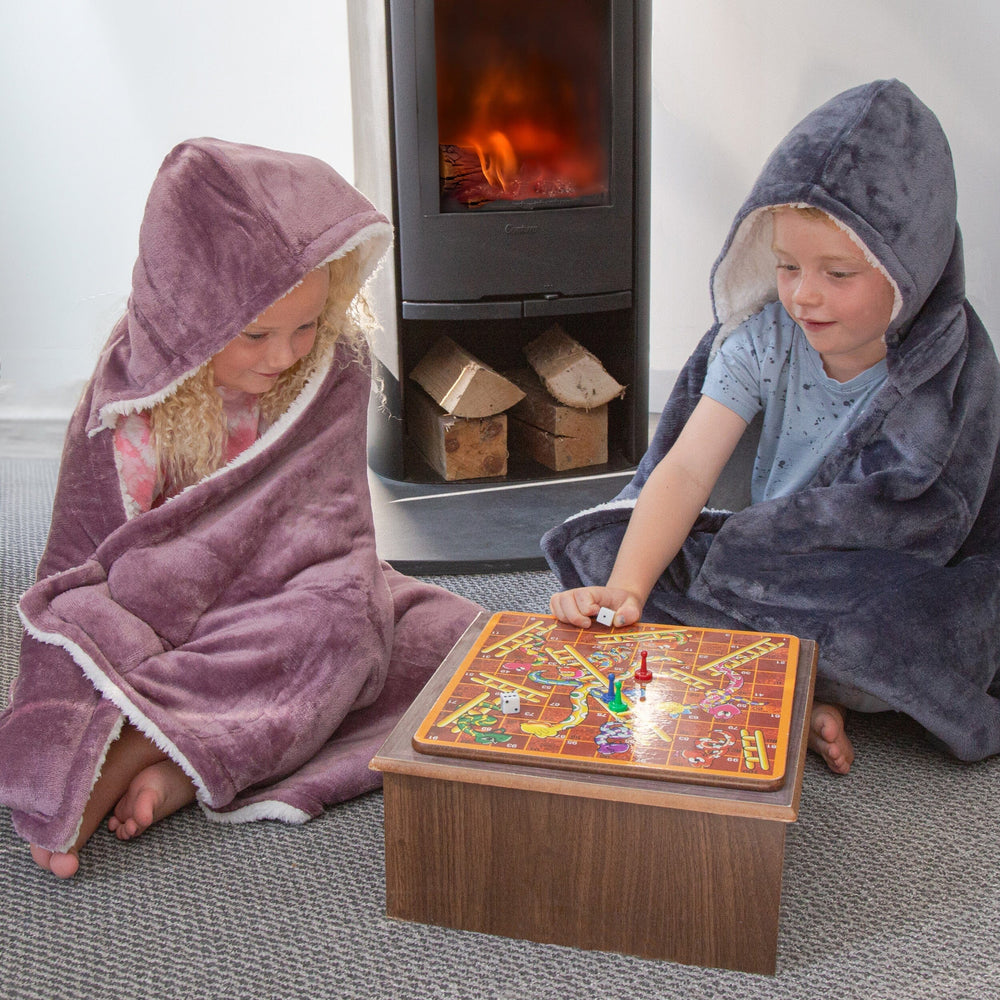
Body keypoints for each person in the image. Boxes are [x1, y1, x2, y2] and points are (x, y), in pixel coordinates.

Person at [0, 139, 482, 877]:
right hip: (172, 608)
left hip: (287, 594)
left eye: (306, 326)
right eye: (255, 334)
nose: (283, 356)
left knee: (405, 635)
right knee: (122, 644)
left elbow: (336, 526)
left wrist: (322, 590)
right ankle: (147, 744)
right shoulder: (133, 404)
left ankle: (166, 750)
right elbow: (76, 561)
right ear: (188, 317)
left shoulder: (331, 367)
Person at [544, 80, 1000, 775]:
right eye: (786, 267)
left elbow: (934, 516)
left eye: (837, 273)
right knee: (609, 554)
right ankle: (793, 685)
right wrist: (629, 590)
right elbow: (686, 469)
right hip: (758, 562)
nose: (804, 295)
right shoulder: (764, 339)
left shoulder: (948, 369)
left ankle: (787, 676)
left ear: (914, 269)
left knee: (900, 636)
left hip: (866, 575)